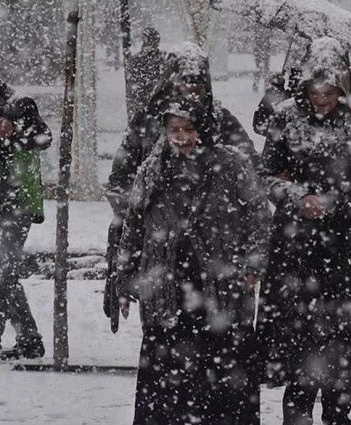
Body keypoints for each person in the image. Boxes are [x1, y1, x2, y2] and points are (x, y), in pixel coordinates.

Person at [257, 37, 351, 425]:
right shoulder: (287, 116)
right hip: (298, 247)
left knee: (349, 342)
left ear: (344, 84)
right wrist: (296, 196)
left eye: (329, 92)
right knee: (300, 339)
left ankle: (338, 415)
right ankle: (299, 414)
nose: (322, 100)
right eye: (314, 91)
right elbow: (266, 174)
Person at [114, 95, 270, 424]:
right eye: (175, 129)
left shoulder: (231, 163)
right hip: (166, 288)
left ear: (204, 129)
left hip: (220, 287)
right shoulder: (152, 169)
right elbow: (132, 226)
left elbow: (258, 213)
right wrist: (125, 281)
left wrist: (254, 262)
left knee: (222, 378)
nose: (182, 137)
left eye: (189, 129)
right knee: (167, 386)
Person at [105, 41, 259, 324]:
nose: (192, 91)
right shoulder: (148, 122)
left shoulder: (222, 121)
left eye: (198, 85)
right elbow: (120, 180)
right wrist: (149, 212)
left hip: (216, 254)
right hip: (162, 254)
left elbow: (252, 179)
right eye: (185, 84)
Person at [0, 62, 51, 362]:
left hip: (17, 203)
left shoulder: (18, 104)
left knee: (1, 271)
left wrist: (13, 131)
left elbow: (43, 137)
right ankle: (30, 338)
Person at [125, 27, 168, 120]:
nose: (156, 42)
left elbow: (132, 86)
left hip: (147, 105)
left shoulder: (135, 60)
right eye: (154, 40)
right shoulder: (163, 58)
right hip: (154, 106)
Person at [252, 24, 273, 92]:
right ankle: (262, 84)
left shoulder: (258, 27)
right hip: (262, 50)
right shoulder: (267, 27)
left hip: (262, 50)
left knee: (261, 67)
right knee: (262, 67)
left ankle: (259, 84)